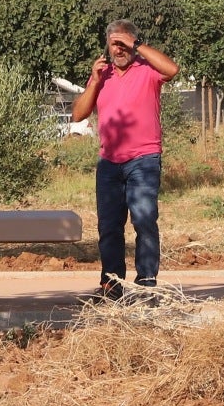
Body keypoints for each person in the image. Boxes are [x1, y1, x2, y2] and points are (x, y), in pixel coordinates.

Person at [70, 21, 180, 299]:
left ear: (133, 44)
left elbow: (173, 70)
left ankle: (145, 284)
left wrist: (137, 44)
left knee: (144, 220)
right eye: (114, 44)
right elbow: (78, 115)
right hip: (109, 163)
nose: (119, 50)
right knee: (108, 227)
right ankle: (112, 285)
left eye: (124, 44)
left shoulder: (148, 70)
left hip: (143, 159)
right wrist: (94, 81)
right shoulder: (102, 74)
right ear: (107, 45)